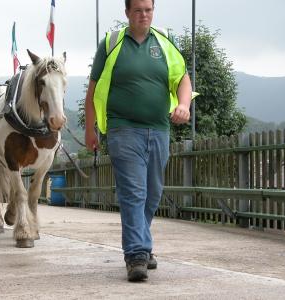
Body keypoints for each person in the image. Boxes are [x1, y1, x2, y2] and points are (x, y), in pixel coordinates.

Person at [85, 0, 192, 282]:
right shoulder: (111, 44)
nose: (144, 15)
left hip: (158, 130)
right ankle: (135, 255)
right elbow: (93, 88)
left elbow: (182, 79)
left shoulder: (165, 42)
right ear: (127, 13)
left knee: (152, 192)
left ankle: (143, 244)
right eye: (138, 10)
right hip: (123, 129)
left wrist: (184, 105)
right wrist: (89, 129)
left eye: (148, 9)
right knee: (133, 192)